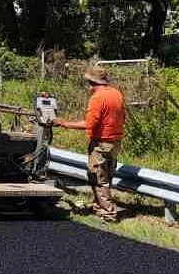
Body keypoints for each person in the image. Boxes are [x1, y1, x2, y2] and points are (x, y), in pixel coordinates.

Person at [55, 66, 128, 222]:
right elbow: (123, 117)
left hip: (101, 143)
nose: (88, 86)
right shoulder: (116, 94)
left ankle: (109, 213)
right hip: (115, 142)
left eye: (88, 82)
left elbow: (89, 124)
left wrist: (64, 123)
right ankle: (99, 206)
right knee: (107, 176)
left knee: (97, 177)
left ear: (92, 82)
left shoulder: (98, 97)